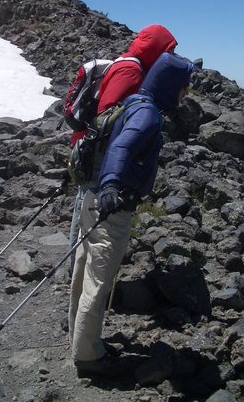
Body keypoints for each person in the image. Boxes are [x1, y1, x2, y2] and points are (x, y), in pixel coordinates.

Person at [68, 52, 196, 378]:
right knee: (99, 281)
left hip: (91, 197)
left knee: (83, 272)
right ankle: (89, 357)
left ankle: (80, 340)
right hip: (111, 207)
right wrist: (112, 185)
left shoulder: (133, 101)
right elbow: (122, 147)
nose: (187, 93)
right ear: (171, 85)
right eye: (185, 86)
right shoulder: (148, 115)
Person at [67, 25, 177, 253]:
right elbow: (107, 116)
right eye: (167, 50)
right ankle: (75, 267)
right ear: (154, 49)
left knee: (85, 206)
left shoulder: (127, 63)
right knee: (87, 210)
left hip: (93, 148)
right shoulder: (131, 71)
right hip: (98, 155)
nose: (170, 56)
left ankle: (77, 265)